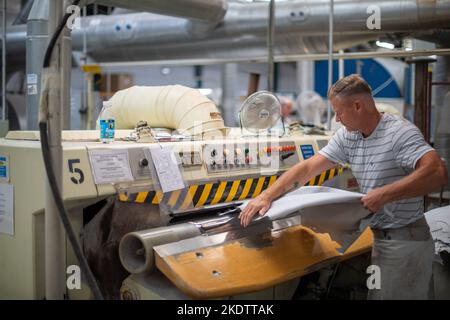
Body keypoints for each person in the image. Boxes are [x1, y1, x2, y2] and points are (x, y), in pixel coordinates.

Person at [239, 74, 448, 300]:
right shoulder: (349, 136)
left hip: (405, 241)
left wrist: (384, 195)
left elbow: (437, 173)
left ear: (357, 106)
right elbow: (308, 167)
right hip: (380, 239)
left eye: (339, 112)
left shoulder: (399, 133)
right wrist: (266, 196)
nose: (336, 119)